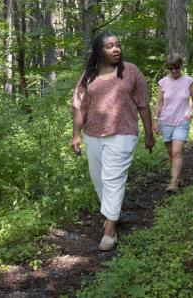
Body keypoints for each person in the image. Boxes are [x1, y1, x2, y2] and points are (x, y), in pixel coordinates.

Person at [71, 32, 156, 251]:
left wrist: (149, 133)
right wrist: (76, 135)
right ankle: (111, 214)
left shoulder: (130, 71)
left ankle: (110, 232)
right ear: (99, 51)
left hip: (123, 133)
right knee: (99, 180)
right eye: (109, 46)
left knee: (113, 179)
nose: (115, 49)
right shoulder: (88, 76)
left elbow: (143, 104)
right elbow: (80, 106)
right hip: (93, 134)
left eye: (117, 45)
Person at [154, 53, 193, 192]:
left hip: (182, 121)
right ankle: (178, 177)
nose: (174, 71)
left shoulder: (189, 81)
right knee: (171, 154)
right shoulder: (162, 82)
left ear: (181, 66)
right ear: (167, 68)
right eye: (171, 68)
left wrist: (190, 112)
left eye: (177, 68)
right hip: (165, 121)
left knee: (177, 152)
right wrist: (155, 120)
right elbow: (159, 103)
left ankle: (173, 183)